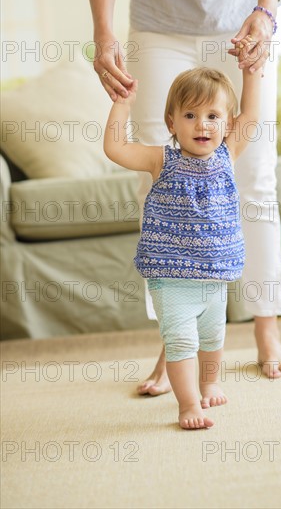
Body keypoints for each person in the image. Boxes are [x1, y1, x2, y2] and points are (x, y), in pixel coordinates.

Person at [88, 0, 281, 393]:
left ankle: (266, 327)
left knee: (256, 177)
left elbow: (250, 116)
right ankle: (175, 337)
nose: (201, 126)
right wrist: (103, 32)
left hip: (244, 15)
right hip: (159, 22)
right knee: (158, 183)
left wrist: (267, 6)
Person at [104, 61, 263, 429]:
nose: (202, 124)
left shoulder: (228, 154)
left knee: (212, 338)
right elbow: (116, 148)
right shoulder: (162, 159)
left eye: (212, 115)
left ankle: (209, 382)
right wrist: (122, 104)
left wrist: (253, 70)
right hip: (171, 278)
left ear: (227, 123)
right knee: (181, 343)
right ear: (172, 123)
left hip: (214, 276)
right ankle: (188, 405)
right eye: (190, 115)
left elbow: (252, 112)